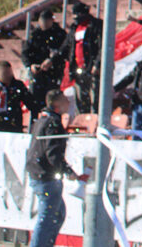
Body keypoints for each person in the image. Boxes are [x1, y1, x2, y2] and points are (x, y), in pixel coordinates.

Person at [26, 90, 88, 247]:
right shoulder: (52, 122)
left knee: (57, 213)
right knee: (48, 217)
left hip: (39, 172)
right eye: (65, 100)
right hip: (45, 176)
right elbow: (52, 153)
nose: (68, 102)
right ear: (57, 104)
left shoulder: (43, 120)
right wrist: (67, 171)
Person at [21, 9, 68, 121]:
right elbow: (26, 53)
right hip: (38, 74)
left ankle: (53, 120)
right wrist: (30, 65)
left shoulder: (59, 34)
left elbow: (64, 50)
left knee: (53, 100)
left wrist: (52, 60)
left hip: (53, 73)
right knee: (35, 100)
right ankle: (35, 121)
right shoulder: (35, 34)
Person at [65, 2, 102, 113]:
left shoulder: (95, 25)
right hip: (79, 69)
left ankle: (96, 120)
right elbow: (67, 46)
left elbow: (102, 47)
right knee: (81, 100)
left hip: (92, 68)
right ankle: (83, 119)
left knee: (95, 98)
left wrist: (97, 64)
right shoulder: (75, 28)